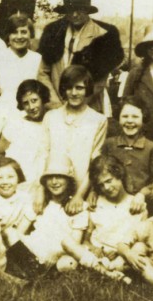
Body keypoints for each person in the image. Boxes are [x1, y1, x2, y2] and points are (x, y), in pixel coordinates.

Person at [37, 0, 123, 114]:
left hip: (88, 107)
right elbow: (43, 72)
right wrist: (56, 105)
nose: (75, 14)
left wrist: (76, 105)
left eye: (80, 9)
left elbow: (100, 80)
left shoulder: (102, 35)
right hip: (56, 108)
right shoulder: (53, 33)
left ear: (87, 10)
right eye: (71, 10)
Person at [62, 156, 144, 282]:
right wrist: (94, 249)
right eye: (101, 185)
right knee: (67, 242)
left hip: (122, 256)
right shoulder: (95, 204)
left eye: (109, 181)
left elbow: (140, 238)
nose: (106, 187)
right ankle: (107, 273)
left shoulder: (136, 204)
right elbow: (86, 240)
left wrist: (120, 252)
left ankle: (107, 271)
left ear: (120, 175)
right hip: (98, 255)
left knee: (139, 247)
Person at [41, 65, 107, 214]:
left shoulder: (98, 120)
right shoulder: (51, 117)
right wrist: (40, 190)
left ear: (87, 89)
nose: (74, 93)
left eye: (79, 88)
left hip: (81, 191)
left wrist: (79, 195)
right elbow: (43, 154)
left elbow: (94, 162)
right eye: (69, 88)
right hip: (52, 189)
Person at [5, 162, 86, 279]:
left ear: (68, 180)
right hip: (31, 252)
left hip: (58, 254)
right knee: (9, 233)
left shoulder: (78, 207)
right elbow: (20, 231)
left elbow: (75, 242)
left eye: (59, 177)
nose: (54, 182)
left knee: (69, 262)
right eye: (50, 178)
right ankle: (36, 273)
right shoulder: (39, 203)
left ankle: (33, 275)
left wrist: (54, 253)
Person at [101, 96, 153, 214]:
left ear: (143, 119)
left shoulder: (151, 148)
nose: (130, 121)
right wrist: (94, 193)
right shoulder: (109, 144)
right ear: (118, 118)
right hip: (111, 204)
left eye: (135, 116)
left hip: (139, 205)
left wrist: (142, 194)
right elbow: (99, 172)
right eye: (125, 116)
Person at [0, 79, 51, 183]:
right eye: (26, 103)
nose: (31, 107)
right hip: (17, 179)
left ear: (42, 99)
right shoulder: (16, 123)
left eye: (34, 100)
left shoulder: (53, 121)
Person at [0, 157, 32, 251]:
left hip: (11, 244)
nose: (5, 182)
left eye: (10, 177)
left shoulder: (24, 198)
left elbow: (20, 232)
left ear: (18, 177)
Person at [0, 13, 42, 112]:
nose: (19, 36)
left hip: (31, 111)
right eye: (14, 32)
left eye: (24, 32)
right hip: (2, 111)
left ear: (31, 34)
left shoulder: (38, 59)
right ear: (8, 35)